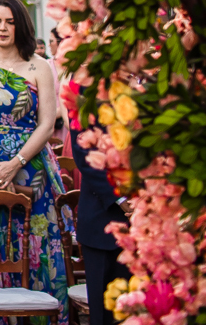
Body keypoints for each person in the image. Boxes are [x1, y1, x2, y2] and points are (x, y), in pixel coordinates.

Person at [0, 0, 68, 321]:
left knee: (37, 243)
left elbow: (46, 124)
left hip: (32, 168)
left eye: (9, 22)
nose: (3, 28)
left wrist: (16, 163)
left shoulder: (39, 66)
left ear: (20, 25)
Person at [72, 123, 131, 325]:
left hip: (149, 222)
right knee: (104, 314)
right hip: (102, 220)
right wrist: (121, 198)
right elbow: (85, 157)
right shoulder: (86, 106)